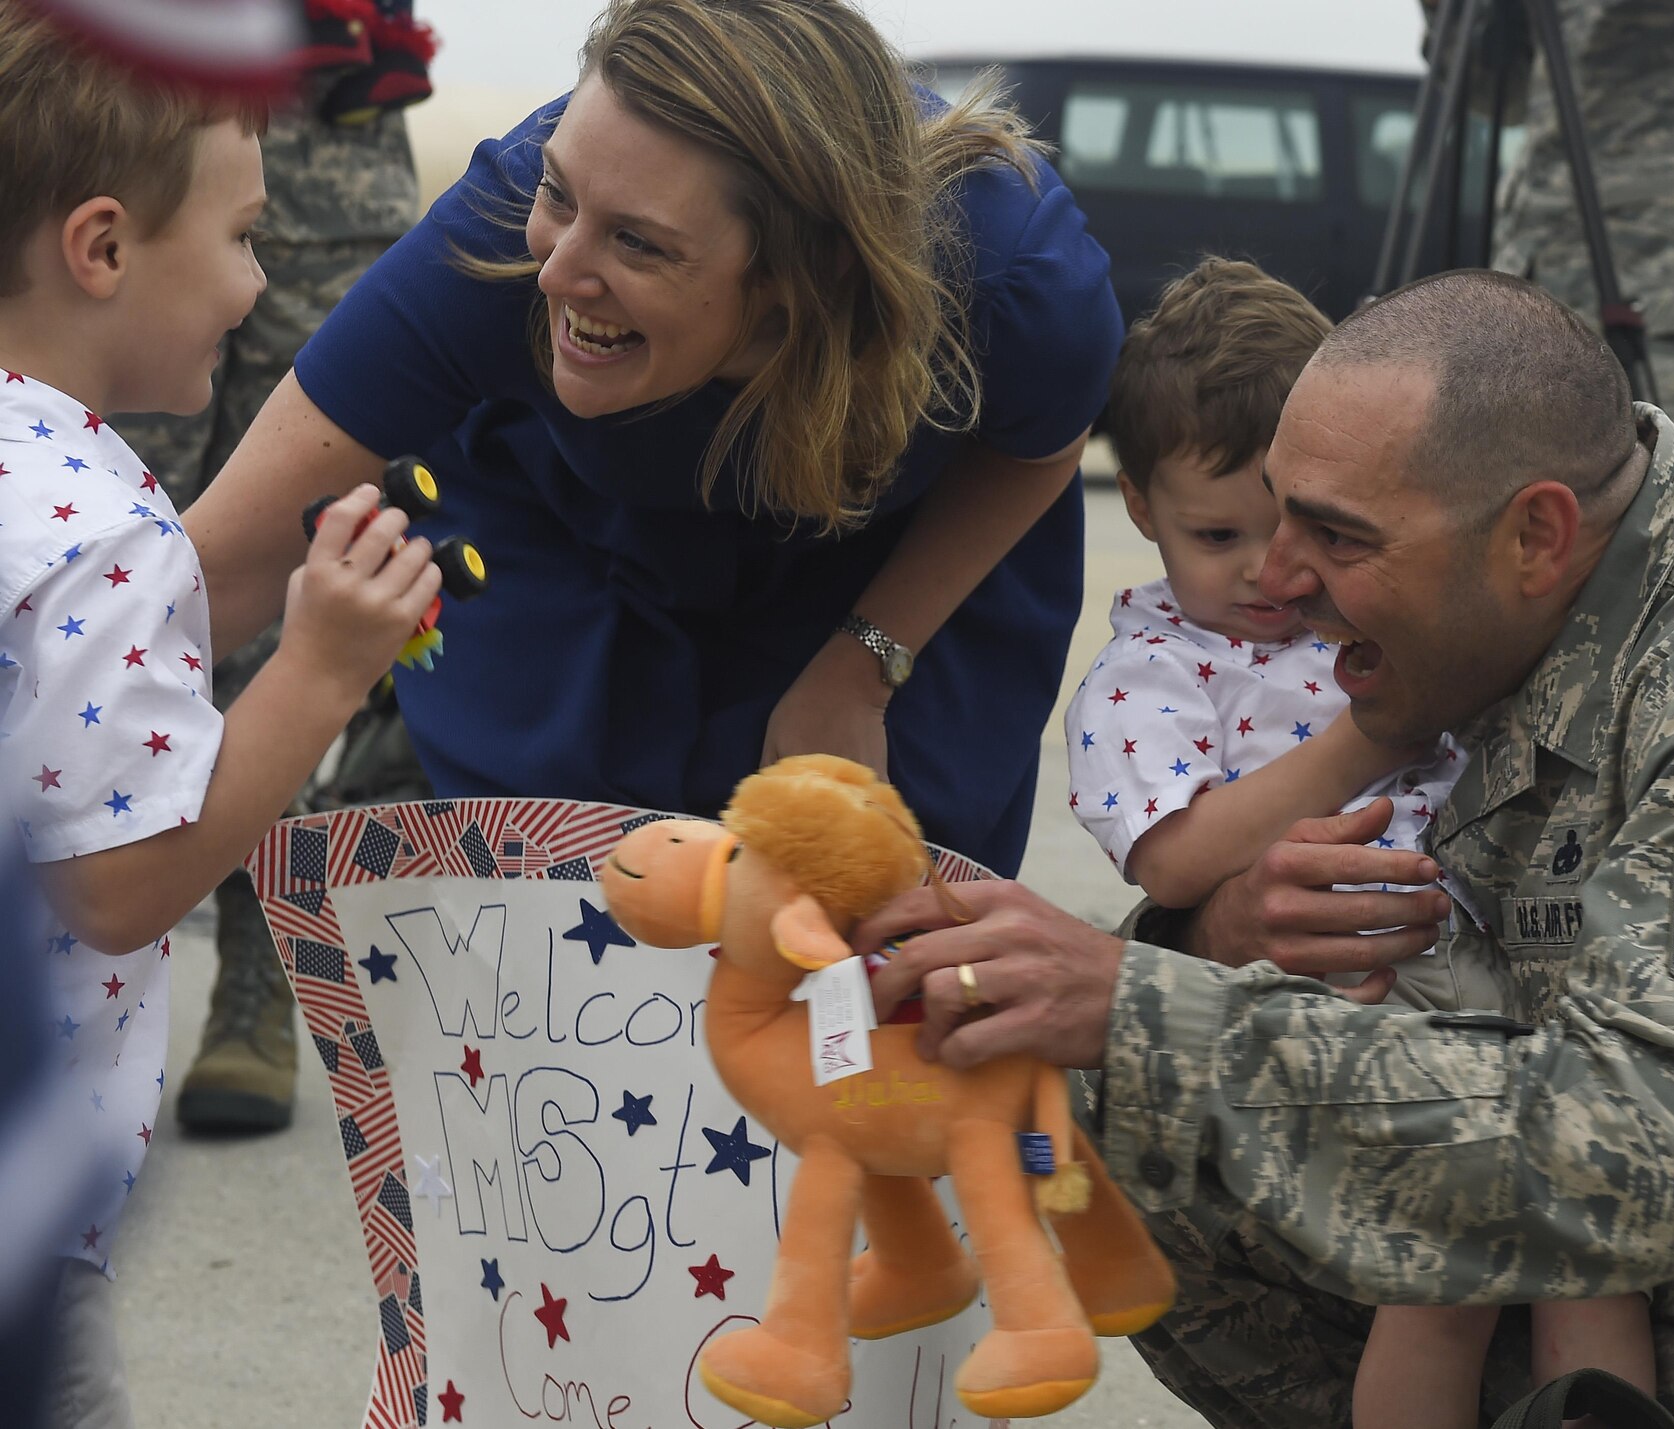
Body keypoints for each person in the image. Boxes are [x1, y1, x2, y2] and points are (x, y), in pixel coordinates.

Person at [859, 269, 1674, 1425]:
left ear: (1535, 534)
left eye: (1336, 536)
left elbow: (1656, 1155)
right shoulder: (1467, 615)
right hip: (1568, 1308)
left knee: (1146, 1053)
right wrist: (1213, 932)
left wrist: (1141, 1008)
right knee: (1094, 1106)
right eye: (1273, 510)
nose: (1283, 579)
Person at [177, 0, 1122, 878]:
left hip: (888, 555)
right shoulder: (503, 231)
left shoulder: (1014, 276)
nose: (559, 274)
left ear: (813, 268)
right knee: (573, 893)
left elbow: (1038, 446)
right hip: (566, 528)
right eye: (561, 195)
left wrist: (865, 661)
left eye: (639, 244)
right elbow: (219, 569)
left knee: (858, 880)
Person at [1067, 257, 1652, 1427]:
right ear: (1138, 508)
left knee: (1599, 1246)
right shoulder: (1158, 670)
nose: (1269, 571)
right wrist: (1368, 736)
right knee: (1442, 1276)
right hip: (1351, 997)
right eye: (1219, 533)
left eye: (1304, 525)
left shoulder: (1372, 598)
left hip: (1498, 963)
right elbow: (1174, 862)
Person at [0, 12, 442, 1420]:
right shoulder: (96, 529)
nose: (259, 285)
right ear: (106, 248)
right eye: (245, 237)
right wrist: (318, 665)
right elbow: (119, 883)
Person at [115, 0, 435, 1134]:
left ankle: (255, 979)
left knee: (299, 566)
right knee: (111, 567)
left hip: (324, 162)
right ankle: (81, 966)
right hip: (118, 139)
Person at [1486, 0, 1674, 465]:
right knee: (1518, 510)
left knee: (1663, 515)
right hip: (1536, 271)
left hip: (1664, 271)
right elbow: (1501, 90)